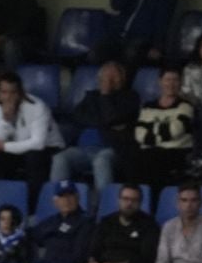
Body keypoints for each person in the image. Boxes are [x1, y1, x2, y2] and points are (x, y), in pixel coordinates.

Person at [53, 61, 139, 197]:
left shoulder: (130, 97)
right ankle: (59, 204)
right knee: (60, 158)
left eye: (114, 77)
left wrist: (106, 95)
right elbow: (77, 116)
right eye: (106, 77)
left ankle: (105, 208)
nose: (109, 81)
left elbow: (113, 117)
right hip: (83, 149)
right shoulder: (91, 96)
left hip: (112, 149)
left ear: (123, 79)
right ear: (99, 79)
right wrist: (105, 122)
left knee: (101, 161)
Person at [0, 71, 60, 206]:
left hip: (48, 148)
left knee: (34, 157)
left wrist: (6, 146)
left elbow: (38, 143)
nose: (8, 97)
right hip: (18, 149)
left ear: (20, 92)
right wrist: (6, 120)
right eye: (4, 92)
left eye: (13, 92)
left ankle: (33, 207)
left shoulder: (36, 106)